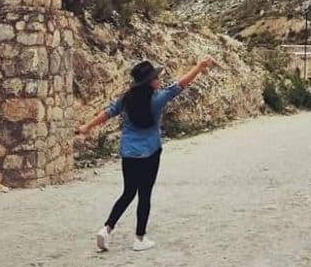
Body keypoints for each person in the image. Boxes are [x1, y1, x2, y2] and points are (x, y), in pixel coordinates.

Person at [79, 55, 216, 252]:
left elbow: (108, 112)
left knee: (128, 193)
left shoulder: (126, 99)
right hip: (150, 152)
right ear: (150, 82)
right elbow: (181, 83)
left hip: (128, 153)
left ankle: (107, 228)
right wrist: (199, 66)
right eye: (156, 77)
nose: (159, 80)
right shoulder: (158, 99)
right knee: (144, 195)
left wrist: (87, 127)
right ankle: (139, 239)